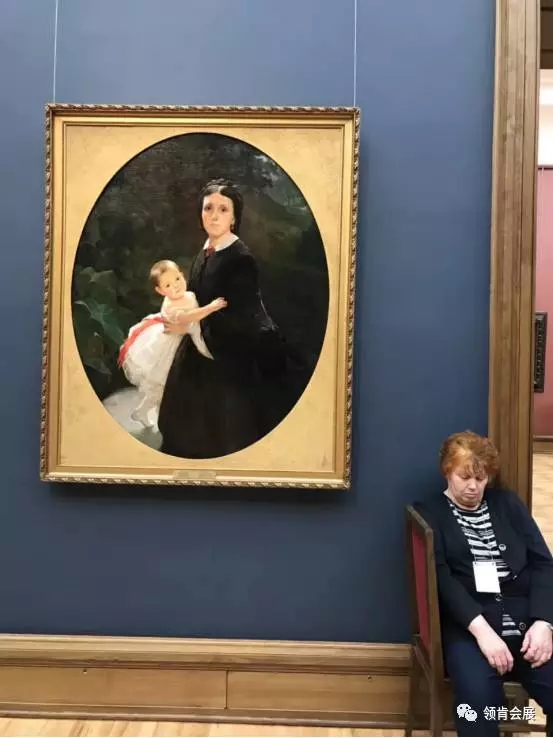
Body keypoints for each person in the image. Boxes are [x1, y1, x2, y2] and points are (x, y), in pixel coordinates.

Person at [414, 431, 553, 736]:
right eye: (464, 477)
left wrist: (544, 623)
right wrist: (483, 633)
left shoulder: (508, 504)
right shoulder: (430, 512)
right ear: (447, 471)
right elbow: (441, 580)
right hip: (470, 626)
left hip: (526, 621)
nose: (473, 486)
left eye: (481, 478)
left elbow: (543, 563)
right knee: (477, 703)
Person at [158, 178, 303, 459]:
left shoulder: (240, 259)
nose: (214, 216)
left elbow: (241, 316)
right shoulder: (205, 253)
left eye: (223, 209)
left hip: (229, 351)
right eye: (208, 208)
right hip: (199, 344)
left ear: (234, 218)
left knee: (226, 434)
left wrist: (190, 324)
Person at [118, 259, 226, 427]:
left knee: (176, 383)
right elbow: (188, 317)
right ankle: (146, 411)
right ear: (160, 291)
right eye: (168, 285)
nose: (176, 286)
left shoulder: (188, 295)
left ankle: (144, 411)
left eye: (177, 279)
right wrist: (211, 307)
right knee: (162, 384)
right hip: (171, 346)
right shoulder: (170, 306)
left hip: (187, 337)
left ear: (182, 275)